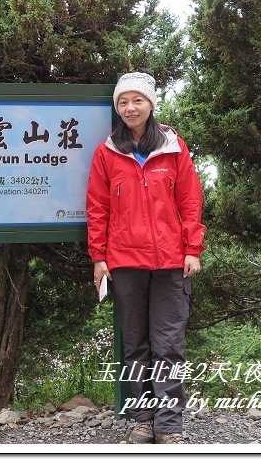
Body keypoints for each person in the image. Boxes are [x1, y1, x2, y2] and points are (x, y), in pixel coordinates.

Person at [85, 71, 206, 444]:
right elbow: (97, 208)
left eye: (137, 100)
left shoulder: (173, 147)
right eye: (123, 101)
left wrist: (192, 249)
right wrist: (99, 257)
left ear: (151, 104)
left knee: (168, 344)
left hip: (171, 262)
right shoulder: (107, 152)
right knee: (135, 343)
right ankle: (142, 419)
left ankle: (169, 425)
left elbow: (190, 200)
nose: (130, 107)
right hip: (125, 262)